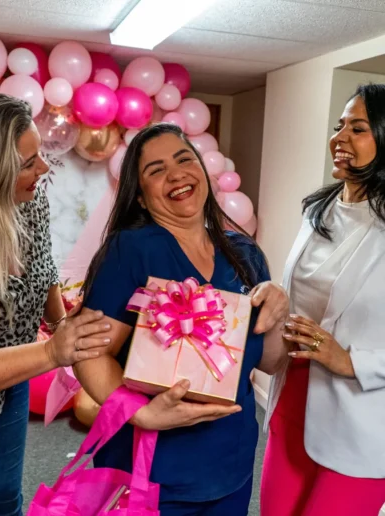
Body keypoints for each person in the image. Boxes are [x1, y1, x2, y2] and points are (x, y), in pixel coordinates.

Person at [74, 122, 289, 515]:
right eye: (156, 170)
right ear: (140, 197)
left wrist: (278, 311)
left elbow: (271, 362)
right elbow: (88, 352)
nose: (176, 174)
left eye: (184, 159)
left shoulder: (244, 254)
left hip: (230, 463)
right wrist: (140, 413)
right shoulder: (132, 249)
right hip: (149, 470)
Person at [260, 84, 385, 516]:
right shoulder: (320, 210)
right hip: (292, 398)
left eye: (358, 128)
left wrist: (350, 361)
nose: (339, 137)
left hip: (360, 422)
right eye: (339, 126)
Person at [0, 92, 111, 516]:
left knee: (1, 496)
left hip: (12, 379)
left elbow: (43, 268)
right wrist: (53, 352)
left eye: (40, 154)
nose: (44, 168)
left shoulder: (32, 199)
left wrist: (62, 324)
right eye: (27, 163)